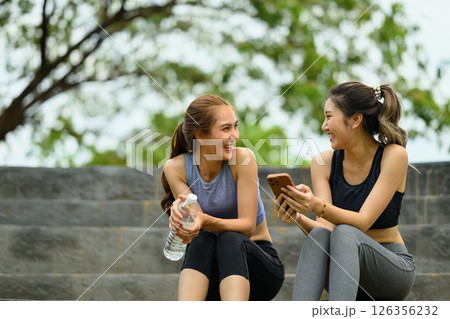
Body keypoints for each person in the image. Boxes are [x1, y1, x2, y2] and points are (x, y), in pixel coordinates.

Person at [275, 82, 416, 301]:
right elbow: (325, 230)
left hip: (389, 273)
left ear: (356, 119)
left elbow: (363, 221)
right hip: (344, 274)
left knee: (346, 232)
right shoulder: (322, 163)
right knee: (320, 235)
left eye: (329, 117)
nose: (324, 126)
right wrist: (298, 216)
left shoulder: (393, 155)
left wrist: (314, 205)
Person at [160, 94, 285, 301]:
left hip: (258, 268)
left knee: (230, 238)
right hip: (211, 272)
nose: (234, 135)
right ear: (200, 135)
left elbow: (247, 226)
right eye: (226, 129)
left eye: (235, 126)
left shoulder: (243, 159)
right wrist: (182, 219)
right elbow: (195, 223)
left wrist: (204, 220)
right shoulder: (175, 168)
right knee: (201, 239)